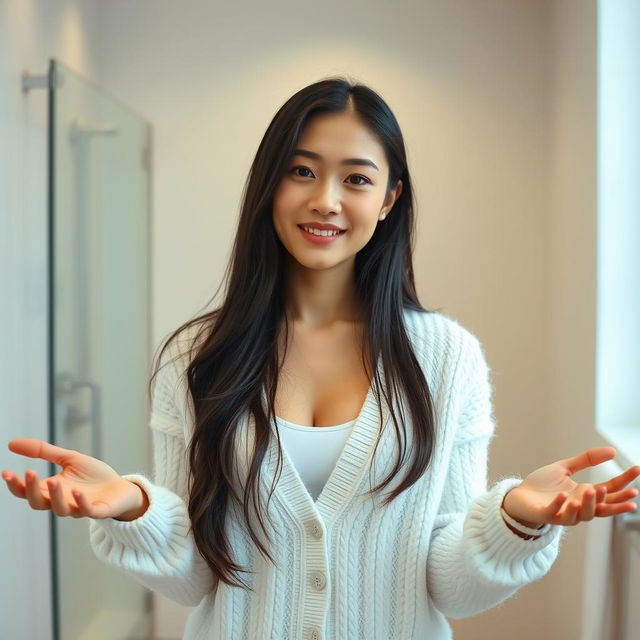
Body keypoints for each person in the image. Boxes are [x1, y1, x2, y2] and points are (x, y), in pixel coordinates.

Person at [4, 77, 640, 640]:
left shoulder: (448, 359)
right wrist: (135, 509)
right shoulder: (199, 357)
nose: (326, 200)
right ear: (270, 182)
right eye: (302, 171)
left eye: (356, 179)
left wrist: (514, 520)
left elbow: (450, 588)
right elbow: (196, 578)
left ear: (389, 199)